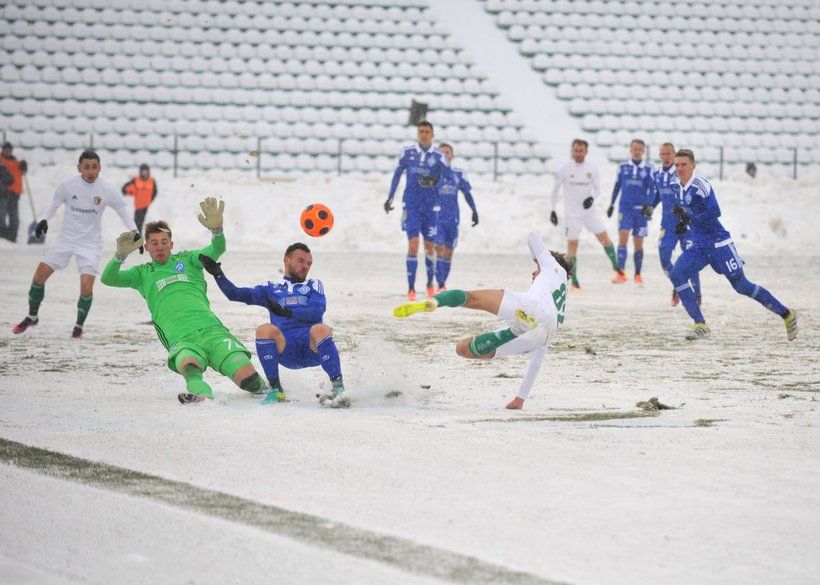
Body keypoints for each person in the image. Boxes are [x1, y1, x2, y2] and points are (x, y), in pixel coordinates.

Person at [100, 198, 269, 404]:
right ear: (146, 246)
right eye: (154, 243)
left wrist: (217, 231)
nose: (160, 247)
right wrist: (119, 255)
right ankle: (203, 396)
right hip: (182, 340)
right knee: (189, 365)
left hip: (213, 331)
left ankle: (270, 389)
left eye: (164, 242)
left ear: (171, 244)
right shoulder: (142, 274)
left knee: (249, 381)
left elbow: (216, 250)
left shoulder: (188, 260)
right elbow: (108, 279)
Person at [393, 232, 570, 410]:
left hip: (530, 307)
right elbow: (536, 360)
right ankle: (515, 330)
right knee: (463, 348)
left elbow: (532, 236)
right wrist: (520, 398)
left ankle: (435, 301)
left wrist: (540, 259)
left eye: (536, 268)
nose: (533, 272)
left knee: (471, 298)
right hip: (544, 333)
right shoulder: (558, 306)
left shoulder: (552, 265)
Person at [199, 242, 348, 407]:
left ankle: (338, 389)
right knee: (264, 330)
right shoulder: (270, 289)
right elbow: (236, 294)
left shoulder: (314, 285)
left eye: (309, 263)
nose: (305, 266)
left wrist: (287, 312)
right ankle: (276, 391)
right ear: (287, 260)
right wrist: (218, 275)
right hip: (286, 349)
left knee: (321, 328)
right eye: (301, 261)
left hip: (313, 347)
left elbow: (317, 311)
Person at [669, 149, 797, 340]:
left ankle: (787, 314)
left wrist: (692, 217)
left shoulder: (701, 185)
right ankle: (700, 324)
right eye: (677, 165)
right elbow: (689, 212)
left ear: (693, 165)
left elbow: (714, 211)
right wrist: (683, 221)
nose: (679, 169)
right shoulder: (676, 185)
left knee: (742, 286)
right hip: (700, 246)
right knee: (677, 274)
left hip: (719, 245)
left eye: (683, 165)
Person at [13, 150, 137, 339]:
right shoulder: (68, 185)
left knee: (86, 288)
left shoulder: (107, 189)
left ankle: (78, 327)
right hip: (65, 239)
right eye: (86, 167)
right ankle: (32, 317)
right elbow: (55, 203)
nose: (90, 171)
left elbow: (122, 209)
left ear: (99, 168)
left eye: (94, 167)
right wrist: (44, 220)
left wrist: (134, 232)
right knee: (38, 278)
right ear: (79, 167)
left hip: (90, 244)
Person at [384, 121, 449, 300]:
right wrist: (390, 196)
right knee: (413, 245)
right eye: (421, 131)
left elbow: (447, 179)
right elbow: (397, 174)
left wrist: (436, 182)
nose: (424, 134)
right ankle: (411, 289)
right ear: (417, 133)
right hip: (411, 205)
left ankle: (429, 284)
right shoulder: (407, 153)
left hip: (431, 208)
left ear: (433, 134)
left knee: (429, 247)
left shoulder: (439, 156)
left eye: (427, 131)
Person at [549, 139, 625, 290]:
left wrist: (592, 198)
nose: (578, 153)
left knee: (604, 238)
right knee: (572, 245)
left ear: (586, 151)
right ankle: (574, 281)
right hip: (572, 214)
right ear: (572, 150)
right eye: (575, 150)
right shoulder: (564, 169)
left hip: (590, 212)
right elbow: (555, 189)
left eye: (581, 151)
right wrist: (553, 209)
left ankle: (617, 269)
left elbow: (597, 189)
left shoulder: (592, 169)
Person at [608, 139, 654, 284]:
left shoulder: (648, 168)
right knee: (623, 239)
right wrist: (611, 204)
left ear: (643, 151)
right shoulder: (622, 167)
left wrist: (649, 205)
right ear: (630, 149)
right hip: (625, 209)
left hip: (640, 212)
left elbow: (652, 189)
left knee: (638, 243)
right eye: (635, 149)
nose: (637, 151)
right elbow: (617, 186)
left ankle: (638, 274)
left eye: (640, 149)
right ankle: (620, 273)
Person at [432, 143, 478, 292]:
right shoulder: (433, 173)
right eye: (442, 152)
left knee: (449, 252)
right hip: (437, 218)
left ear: (452, 155)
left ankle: (442, 282)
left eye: (448, 152)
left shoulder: (459, 173)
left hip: (453, 219)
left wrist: (474, 210)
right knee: (440, 248)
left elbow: (467, 194)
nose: (445, 155)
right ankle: (439, 284)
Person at [0, 142, 27, 242]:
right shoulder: (1, 161)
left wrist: (23, 167)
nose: (8, 151)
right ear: (2, 150)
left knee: (14, 218)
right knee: (1, 218)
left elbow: (20, 174)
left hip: (14, 194)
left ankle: (11, 238)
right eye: (6, 149)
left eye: (9, 149)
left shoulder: (15, 161)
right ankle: (2, 238)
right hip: (2, 194)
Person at [121, 163, 157, 234]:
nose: (144, 172)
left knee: (141, 221)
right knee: (137, 222)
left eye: (146, 171)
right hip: (138, 205)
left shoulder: (152, 180)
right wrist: (126, 191)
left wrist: (150, 201)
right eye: (143, 171)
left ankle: (137, 236)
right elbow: (126, 187)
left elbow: (155, 192)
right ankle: (137, 236)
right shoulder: (136, 179)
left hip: (146, 205)